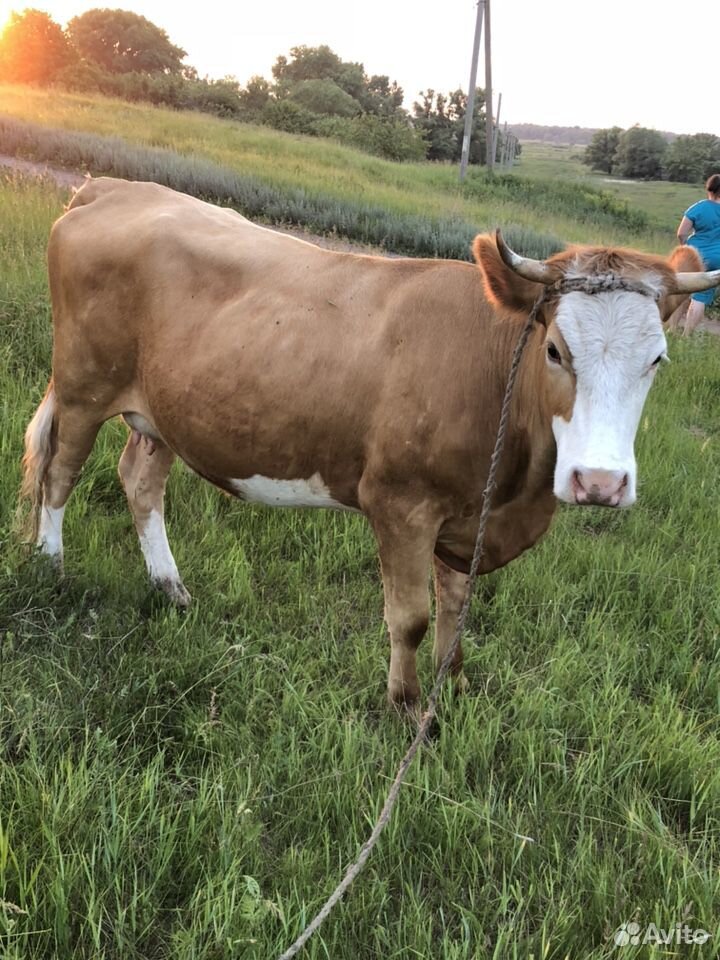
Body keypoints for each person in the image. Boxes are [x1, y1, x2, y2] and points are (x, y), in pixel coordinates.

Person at [675, 173, 720, 335]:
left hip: (695, 255)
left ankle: (672, 329)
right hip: (717, 260)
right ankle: (686, 336)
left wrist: (685, 247)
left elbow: (681, 233)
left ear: (709, 188)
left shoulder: (700, 207)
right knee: (701, 296)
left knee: (683, 291)